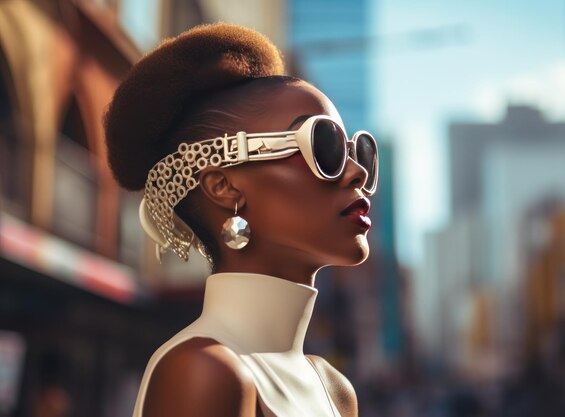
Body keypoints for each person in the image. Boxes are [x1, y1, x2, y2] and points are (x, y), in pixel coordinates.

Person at [104, 22, 378, 417]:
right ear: (223, 186)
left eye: (359, 152)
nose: (357, 173)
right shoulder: (205, 369)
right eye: (326, 146)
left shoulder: (334, 389)